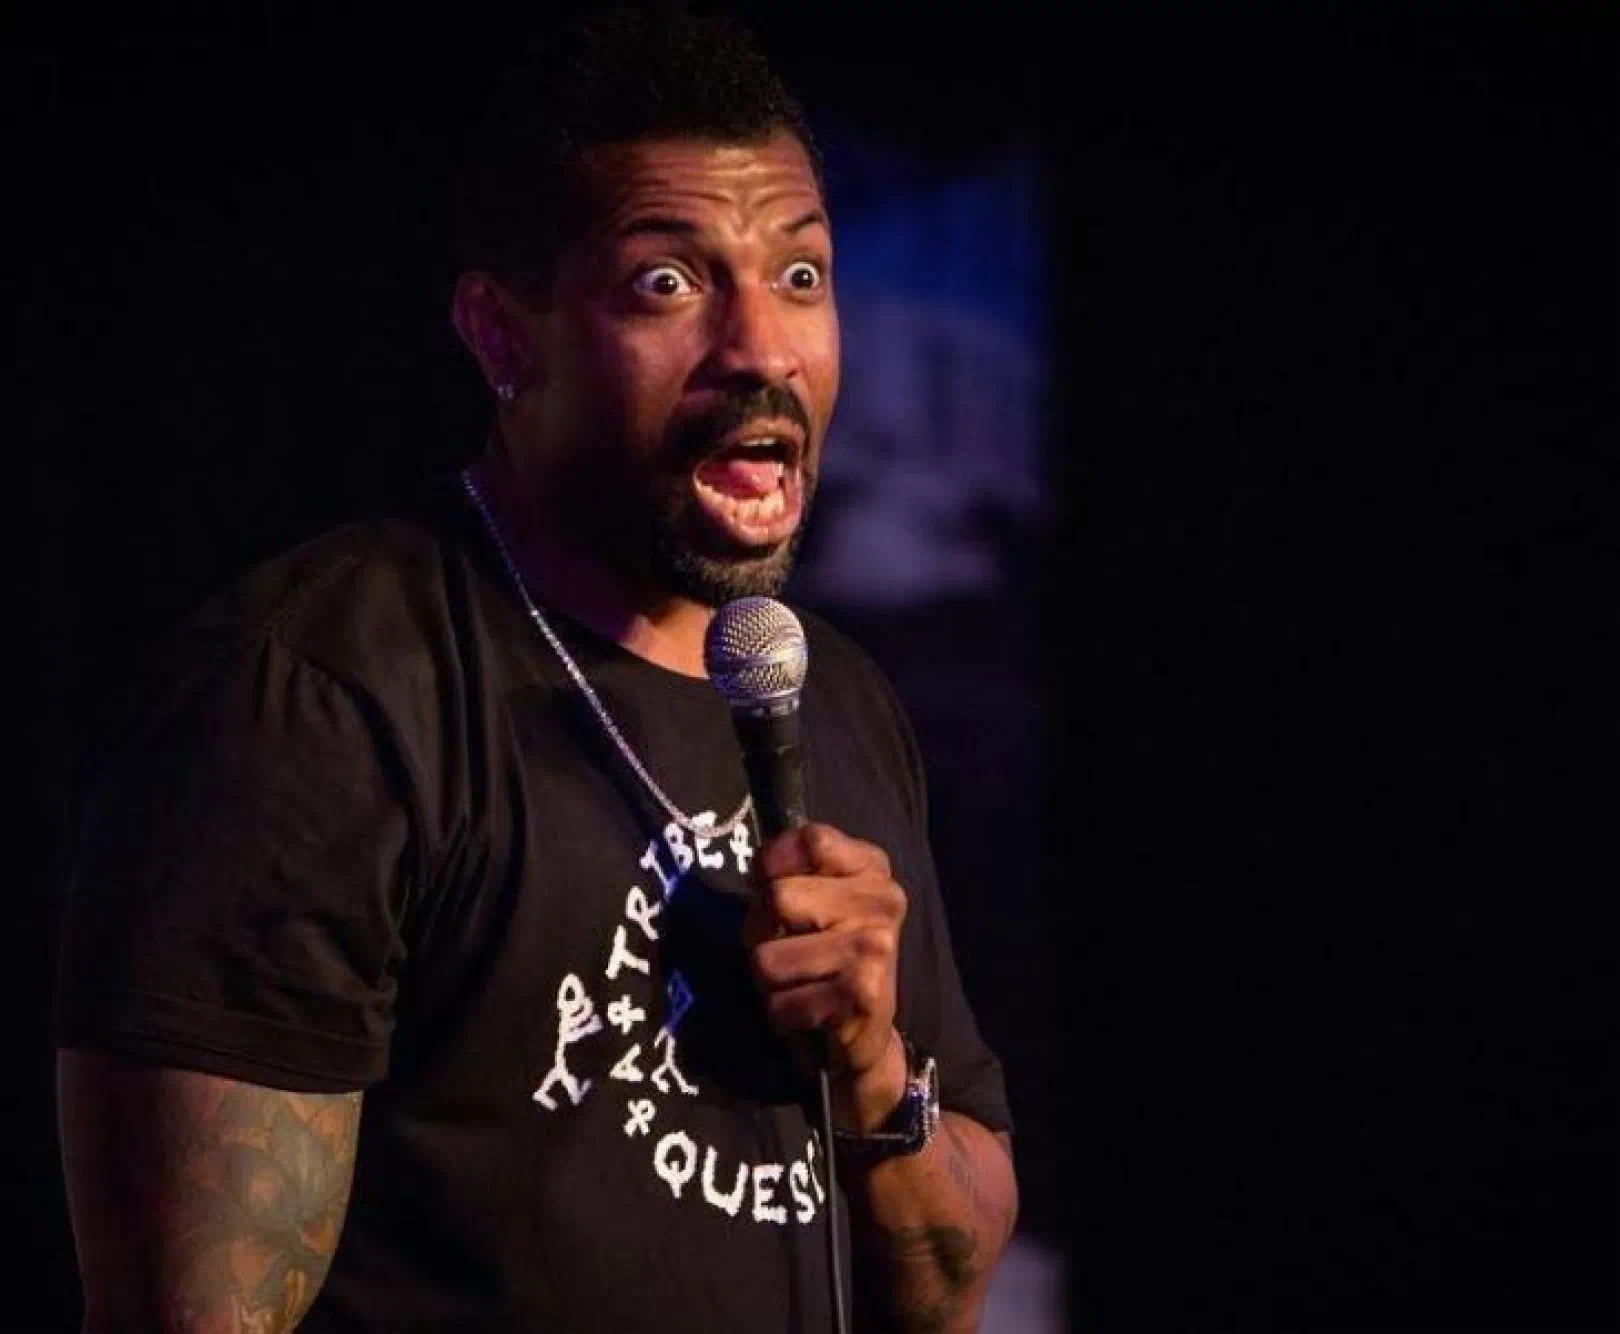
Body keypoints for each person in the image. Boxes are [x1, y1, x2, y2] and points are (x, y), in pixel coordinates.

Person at [53, 9, 1018, 1332]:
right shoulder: (320, 695)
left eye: (800, 276)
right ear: (505, 340)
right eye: (668, 284)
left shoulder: (831, 699)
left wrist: (867, 1065)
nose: (760, 350)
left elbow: (948, 1288)